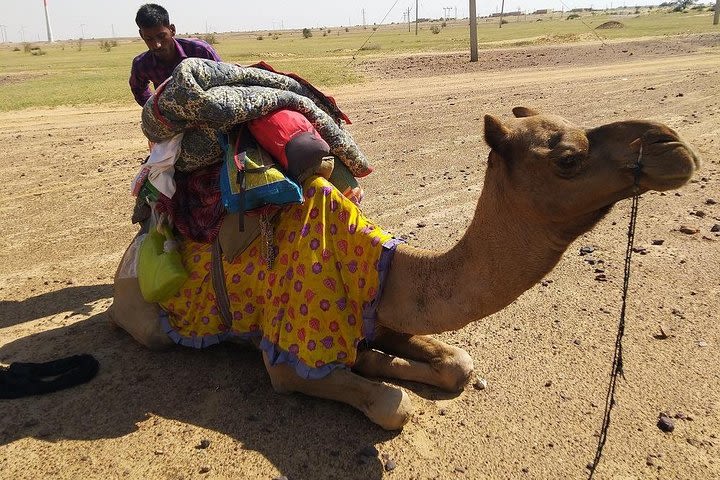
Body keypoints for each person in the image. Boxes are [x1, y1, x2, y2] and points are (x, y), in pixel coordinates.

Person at [129, 3, 221, 106]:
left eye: (162, 36)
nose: (157, 45)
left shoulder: (200, 50)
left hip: (209, 111)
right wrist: (155, 109)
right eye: (149, 39)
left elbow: (224, 79)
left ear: (172, 30)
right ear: (141, 35)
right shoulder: (142, 64)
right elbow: (138, 89)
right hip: (172, 118)